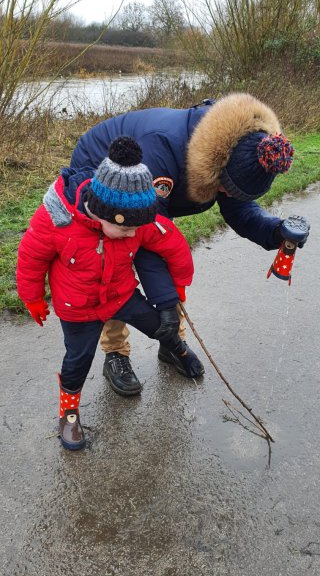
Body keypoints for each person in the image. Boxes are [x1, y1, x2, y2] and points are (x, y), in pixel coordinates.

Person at [68, 91, 310, 397]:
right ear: (218, 164)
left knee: (166, 258)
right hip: (101, 167)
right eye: (227, 188)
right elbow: (147, 235)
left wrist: (276, 232)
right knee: (114, 267)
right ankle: (116, 353)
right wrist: (166, 304)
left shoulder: (237, 149)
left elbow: (237, 208)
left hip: (155, 195)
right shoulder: (162, 150)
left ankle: (172, 345)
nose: (228, 194)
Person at [16, 137, 205, 451]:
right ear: (104, 214)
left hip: (120, 295)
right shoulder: (57, 222)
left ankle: (177, 351)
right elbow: (31, 257)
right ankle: (69, 413)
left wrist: (180, 282)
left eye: (136, 229)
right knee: (78, 361)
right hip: (77, 309)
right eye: (127, 230)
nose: (133, 234)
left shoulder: (133, 218)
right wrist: (32, 297)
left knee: (162, 323)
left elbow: (170, 241)